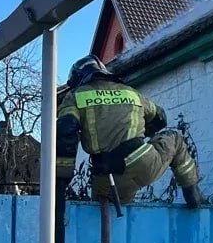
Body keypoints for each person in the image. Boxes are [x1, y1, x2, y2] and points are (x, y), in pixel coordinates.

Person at [55, 55, 203, 207]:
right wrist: (138, 135)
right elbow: (160, 118)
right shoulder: (131, 92)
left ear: (78, 78)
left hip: (107, 176)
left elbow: (65, 132)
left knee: (109, 216)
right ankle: (192, 193)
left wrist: (61, 179)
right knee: (175, 139)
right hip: (144, 162)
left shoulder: (75, 96)